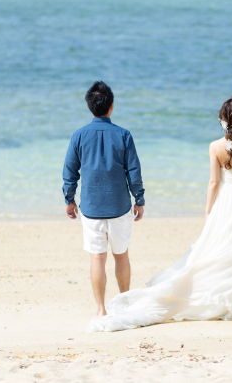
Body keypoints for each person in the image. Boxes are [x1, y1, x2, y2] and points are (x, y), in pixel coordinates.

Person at [86, 96, 232, 332]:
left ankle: (226, 303)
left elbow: (213, 183)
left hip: (225, 206)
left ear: (222, 120)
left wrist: (208, 211)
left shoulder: (215, 147)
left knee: (219, 253)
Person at [63, 81, 145, 320]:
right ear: (111, 106)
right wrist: (139, 199)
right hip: (119, 206)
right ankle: (124, 305)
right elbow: (134, 171)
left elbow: (70, 171)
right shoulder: (123, 135)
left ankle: (100, 310)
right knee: (121, 255)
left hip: (91, 207)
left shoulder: (78, 135)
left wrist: (69, 199)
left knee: (97, 258)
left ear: (91, 108)